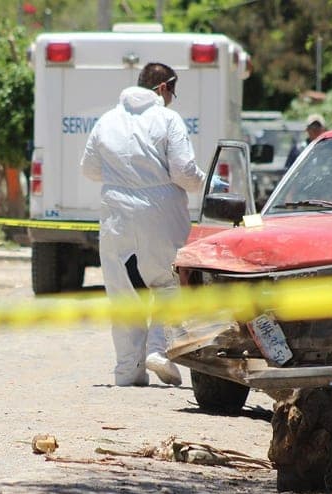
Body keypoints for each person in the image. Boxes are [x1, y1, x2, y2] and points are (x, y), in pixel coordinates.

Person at [80, 62, 206, 387]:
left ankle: (128, 370)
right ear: (163, 87)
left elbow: (89, 169)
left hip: (116, 216)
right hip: (161, 214)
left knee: (123, 293)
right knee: (167, 284)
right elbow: (183, 171)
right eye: (173, 91)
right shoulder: (167, 119)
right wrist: (205, 182)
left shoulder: (106, 120)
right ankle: (159, 351)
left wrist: (123, 177)